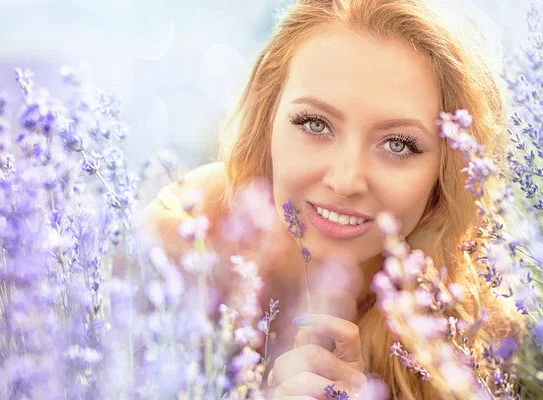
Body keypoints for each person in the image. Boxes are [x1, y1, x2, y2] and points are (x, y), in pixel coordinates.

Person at [141, 0, 525, 398]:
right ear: (267, 119)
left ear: (447, 169)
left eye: (398, 144)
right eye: (315, 123)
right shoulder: (178, 244)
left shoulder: (477, 326)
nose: (345, 181)